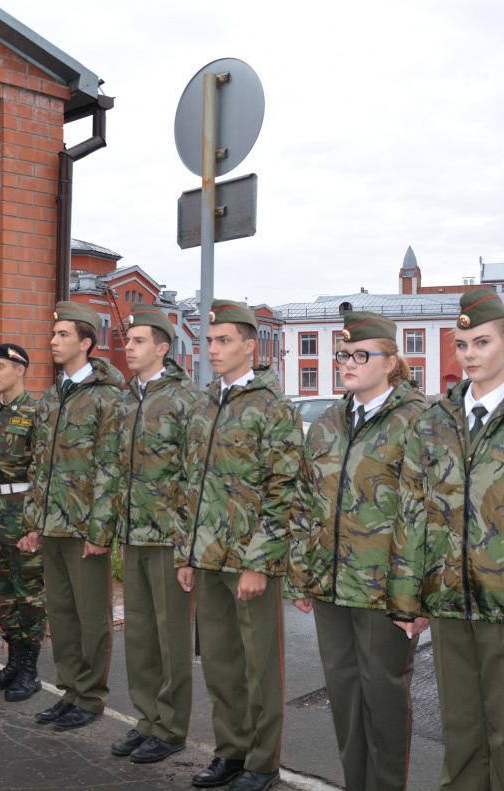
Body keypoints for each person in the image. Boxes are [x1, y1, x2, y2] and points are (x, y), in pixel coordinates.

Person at [387, 288, 504, 791]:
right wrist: (408, 600)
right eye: (461, 344)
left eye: (481, 342)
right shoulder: (434, 420)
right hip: (447, 604)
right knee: (459, 730)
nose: (468, 355)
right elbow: (412, 513)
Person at [288, 311, 426, 791]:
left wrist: (415, 596)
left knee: (383, 698)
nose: (347, 362)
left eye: (360, 355)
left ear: (391, 362)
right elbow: (306, 500)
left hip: (385, 590)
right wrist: (301, 575)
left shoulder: (418, 421)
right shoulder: (328, 421)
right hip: (329, 586)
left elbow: (425, 514)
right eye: (343, 355)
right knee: (344, 698)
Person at [177, 300, 303, 791]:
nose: (213, 349)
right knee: (221, 665)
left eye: (224, 340)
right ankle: (229, 752)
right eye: (209, 341)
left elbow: (283, 491)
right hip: (207, 559)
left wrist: (260, 563)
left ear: (251, 346)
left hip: (250, 563)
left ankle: (262, 762)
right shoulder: (205, 404)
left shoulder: (274, 407)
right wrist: (186, 555)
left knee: (259, 668)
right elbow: (191, 485)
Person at [19, 301, 124, 730]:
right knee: (60, 613)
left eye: (63, 335)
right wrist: (33, 522)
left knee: (91, 616)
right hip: (53, 524)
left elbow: (110, 468)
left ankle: (91, 696)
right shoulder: (52, 395)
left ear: (86, 342)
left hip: (84, 528)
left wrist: (100, 531)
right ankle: (70, 691)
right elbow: (37, 463)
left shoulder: (106, 398)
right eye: (53, 333)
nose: (53, 341)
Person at [110, 309, 202, 764]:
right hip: (133, 534)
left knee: (171, 638)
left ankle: (170, 727)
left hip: (169, 537)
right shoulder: (128, 399)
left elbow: (194, 477)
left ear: (162, 348)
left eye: (138, 341)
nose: (128, 347)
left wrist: (187, 546)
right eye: (127, 340)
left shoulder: (186, 399)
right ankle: (146, 720)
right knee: (141, 635)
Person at [0, 343, 45, 702]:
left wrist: (34, 525)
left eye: (0, 366)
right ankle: (14, 663)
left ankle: (30, 670)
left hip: (22, 514)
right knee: (5, 594)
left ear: (20, 369)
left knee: (29, 594)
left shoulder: (37, 413)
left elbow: (43, 473)